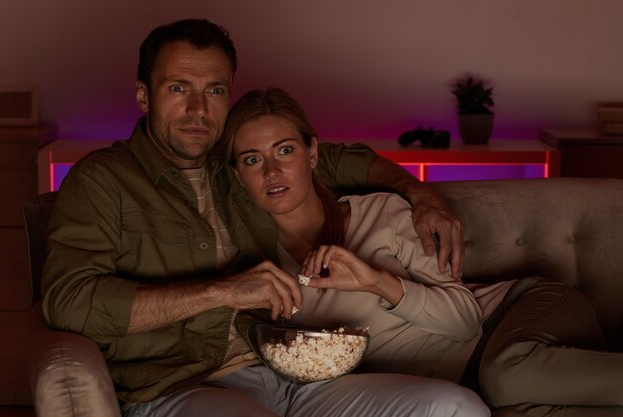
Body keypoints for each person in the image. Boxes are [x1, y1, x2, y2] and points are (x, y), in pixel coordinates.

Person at [41, 19, 489, 417]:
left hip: (289, 376)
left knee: (455, 406)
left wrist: (419, 192)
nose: (199, 109)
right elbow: (70, 302)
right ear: (143, 95)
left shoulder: (237, 162)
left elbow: (334, 160)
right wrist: (220, 292)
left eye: (214, 90)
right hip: (179, 388)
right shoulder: (102, 181)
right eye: (178, 88)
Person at [222, 86, 623, 417]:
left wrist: (377, 283)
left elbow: (467, 321)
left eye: (285, 150)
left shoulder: (381, 212)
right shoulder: (265, 274)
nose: (272, 171)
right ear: (238, 176)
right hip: (477, 384)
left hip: (521, 312)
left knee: (506, 378)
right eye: (253, 159)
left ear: (313, 154)